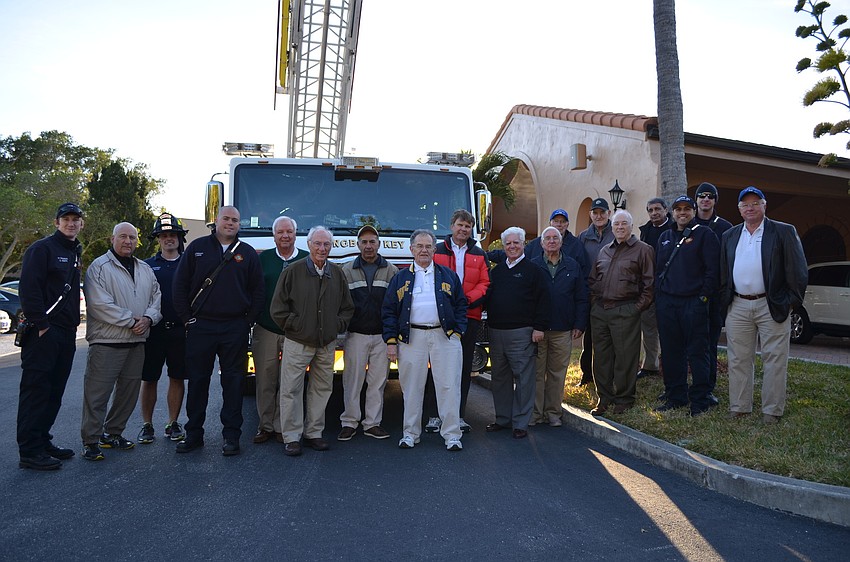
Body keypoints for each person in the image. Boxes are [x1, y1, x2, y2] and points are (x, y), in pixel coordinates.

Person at [173, 206, 264, 456]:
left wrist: (247, 322)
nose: (230, 223)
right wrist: (187, 319)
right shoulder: (197, 248)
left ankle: (231, 436)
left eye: (235, 220)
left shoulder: (247, 253)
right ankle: (193, 434)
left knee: (233, 383)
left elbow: (258, 291)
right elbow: (179, 286)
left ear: (239, 224)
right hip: (200, 326)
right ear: (216, 220)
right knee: (198, 382)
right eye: (226, 218)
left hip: (234, 327)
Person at [720, 187, 807, 424]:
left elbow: (798, 271)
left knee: (775, 359)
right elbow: (723, 273)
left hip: (772, 304)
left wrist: (790, 303)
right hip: (738, 305)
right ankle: (739, 407)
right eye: (745, 204)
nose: (750, 208)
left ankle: (772, 411)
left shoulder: (783, 231)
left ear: (764, 205)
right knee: (738, 359)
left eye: (755, 203)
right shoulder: (729, 235)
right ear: (739, 209)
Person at [80, 222, 162, 461]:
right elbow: (99, 304)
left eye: (132, 238)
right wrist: (131, 320)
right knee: (97, 395)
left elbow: (156, 297)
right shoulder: (99, 267)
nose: (128, 241)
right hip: (107, 342)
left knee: (128, 394)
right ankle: (90, 441)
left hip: (136, 342)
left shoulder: (145, 269)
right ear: (112, 239)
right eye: (123, 236)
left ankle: (113, 433)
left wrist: (148, 319)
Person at [271, 226, 354, 456]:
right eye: (317, 243)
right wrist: (296, 326)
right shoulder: (293, 271)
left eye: (326, 244)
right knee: (291, 389)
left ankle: (314, 433)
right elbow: (278, 308)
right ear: (308, 245)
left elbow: (347, 308)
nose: (322, 248)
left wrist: (336, 326)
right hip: (298, 342)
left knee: (322, 388)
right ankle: (291, 436)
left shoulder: (336, 273)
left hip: (326, 344)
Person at [382, 230, 467, 450]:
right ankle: (410, 433)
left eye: (428, 246)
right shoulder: (400, 278)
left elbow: (461, 305)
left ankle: (452, 435)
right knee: (411, 388)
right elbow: (389, 310)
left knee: (449, 386)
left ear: (434, 249)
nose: (424, 250)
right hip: (411, 337)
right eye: (419, 246)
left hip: (444, 336)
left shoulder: (448, 276)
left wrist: (457, 332)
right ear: (411, 249)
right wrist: (391, 341)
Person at [16, 203, 84, 470]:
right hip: (44, 332)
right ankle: (30, 451)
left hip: (66, 333)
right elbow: (29, 289)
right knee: (36, 391)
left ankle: (43, 441)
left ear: (81, 224)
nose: (71, 223)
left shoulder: (74, 251)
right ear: (57, 222)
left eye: (75, 219)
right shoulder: (42, 249)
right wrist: (41, 324)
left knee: (54, 391)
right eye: (66, 219)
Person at [653, 196, 720, 417]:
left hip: (693, 302)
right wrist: (660, 297)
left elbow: (712, 271)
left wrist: (703, 298)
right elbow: (659, 270)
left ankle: (700, 400)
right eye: (678, 209)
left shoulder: (705, 235)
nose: (682, 213)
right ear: (672, 212)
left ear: (693, 211)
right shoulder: (665, 237)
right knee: (671, 352)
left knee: (697, 352)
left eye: (687, 209)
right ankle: (676, 396)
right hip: (667, 304)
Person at [425, 209, 489, 434]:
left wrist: (465, 300)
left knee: (462, 368)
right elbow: (428, 278)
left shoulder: (480, 254)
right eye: (460, 225)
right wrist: (446, 301)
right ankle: (434, 415)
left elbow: (485, 283)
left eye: (467, 226)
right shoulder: (437, 250)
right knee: (436, 367)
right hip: (439, 317)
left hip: (469, 317)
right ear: (452, 226)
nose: (463, 229)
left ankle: (458, 415)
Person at [485, 227, 550, 439]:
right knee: (499, 378)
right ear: (503, 247)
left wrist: (539, 327)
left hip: (522, 333)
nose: (512, 246)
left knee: (524, 379)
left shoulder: (534, 271)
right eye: (508, 243)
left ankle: (521, 423)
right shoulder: (496, 272)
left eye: (516, 243)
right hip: (496, 332)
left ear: (523, 244)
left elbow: (544, 301)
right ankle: (503, 419)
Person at [587, 210, 654, 415]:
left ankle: (624, 399)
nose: (620, 227)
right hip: (600, 311)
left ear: (631, 226)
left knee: (626, 357)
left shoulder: (643, 250)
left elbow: (650, 285)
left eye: (624, 223)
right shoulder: (604, 250)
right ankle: (604, 397)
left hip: (626, 310)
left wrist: (635, 309)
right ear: (612, 227)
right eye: (616, 224)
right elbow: (592, 280)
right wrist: (594, 304)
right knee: (601, 357)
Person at [338, 225, 398, 441]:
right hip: (356, 335)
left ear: (379, 244)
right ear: (358, 245)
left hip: (382, 337)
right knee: (352, 381)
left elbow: (395, 306)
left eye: (372, 241)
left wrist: (392, 338)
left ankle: (372, 423)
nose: (368, 246)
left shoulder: (391, 270)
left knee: (378, 383)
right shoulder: (346, 270)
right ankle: (349, 422)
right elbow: (340, 303)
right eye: (364, 242)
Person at [253, 216, 308, 445]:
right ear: (274, 235)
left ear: (296, 234)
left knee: (290, 382)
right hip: (266, 328)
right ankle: (265, 425)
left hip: (295, 332)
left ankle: (281, 426)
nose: (285, 236)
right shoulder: (262, 259)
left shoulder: (306, 259)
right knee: (265, 380)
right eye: (280, 232)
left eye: (289, 232)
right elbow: (253, 290)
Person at [138, 213, 189, 445]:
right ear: (157, 238)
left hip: (180, 330)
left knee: (177, 378)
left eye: (173, 235)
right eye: (164, 235)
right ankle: (147, 424)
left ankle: (173, 422)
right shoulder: (146, 266)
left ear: (180, 237)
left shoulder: (189, 264)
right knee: (149, 378)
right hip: (154, 331)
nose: (169, 239)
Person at [530, 226, 588, 427]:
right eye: (548, 238)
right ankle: (535, 414)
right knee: (537, 373)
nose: (552, 241)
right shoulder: (533, 265)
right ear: (541, 243)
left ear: (561, 242)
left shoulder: (572, 266)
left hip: (563, 329)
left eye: (555, 238)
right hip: (538, 331)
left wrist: (579, 323)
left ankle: (553, 413)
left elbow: (581, 297)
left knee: (557, 374)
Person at [692, 182, 734, 404]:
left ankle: (707, 387)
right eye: (702, 196)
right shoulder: (687, 224)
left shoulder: (726, 228)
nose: (706, 199)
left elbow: (730, 262)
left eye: (710, 196)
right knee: (685, 344)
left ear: (715, 200)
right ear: (696, 200)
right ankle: (681, 386)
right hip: (688, 294)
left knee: (709, 343)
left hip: (714, 296)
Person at [577, 198, 614, 386]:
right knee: (589, 337)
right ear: (590, 214)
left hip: (612, 294)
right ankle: (587, 374)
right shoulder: (583, 237)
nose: (599, 216)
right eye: (595, 213)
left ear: (609, 214)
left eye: (602, 212)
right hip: (590, 294)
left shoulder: (616, 232)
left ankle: (608, 375)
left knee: (610, 338)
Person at [636, 197, 674, 380]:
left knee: (669, 329)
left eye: (658, 209)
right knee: (649, 328)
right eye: (650, 210)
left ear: (666, 210)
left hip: (670, 287)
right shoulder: (645, 231)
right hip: (648, 287)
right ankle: (650, 365)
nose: (654, 213)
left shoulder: (675, 230)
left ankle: (671, 365)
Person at [487, 208, 588, 274]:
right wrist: (485, 255)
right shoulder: (536, 244)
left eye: (563, 221)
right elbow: (516, 254)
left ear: (567, 224)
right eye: (556, 221)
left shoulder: (576, 245)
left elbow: (584, 272)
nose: (559, 224)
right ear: (550, 223)